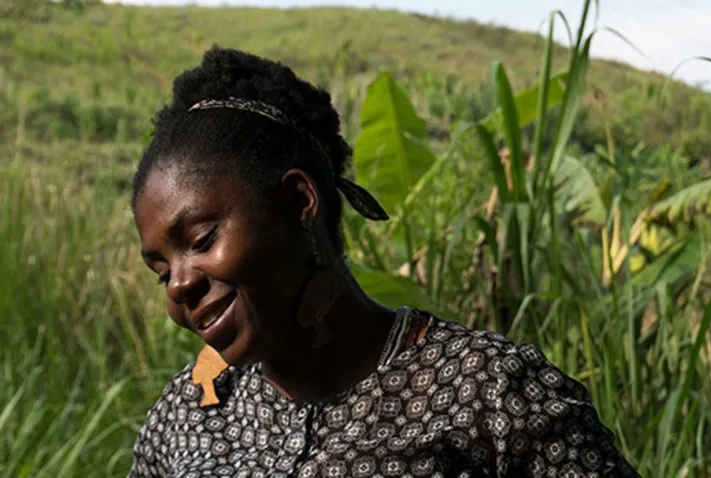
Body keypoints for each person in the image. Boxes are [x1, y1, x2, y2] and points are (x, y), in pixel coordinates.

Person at [127, 45, 639, 478]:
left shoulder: (489, 393)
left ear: (299, 202)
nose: (179, 285)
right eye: (161, 270)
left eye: (201, 238)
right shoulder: (186, 415)